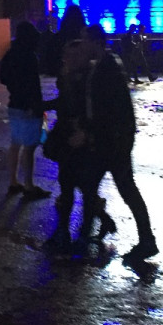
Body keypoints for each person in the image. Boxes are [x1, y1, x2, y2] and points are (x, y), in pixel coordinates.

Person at [78, 24, 158, 262]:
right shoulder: (107, 64)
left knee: (117, 188)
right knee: (98, 185)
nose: (82, 45)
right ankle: (96, 231)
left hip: (111, 141)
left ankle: (144, 239)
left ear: (95, 42)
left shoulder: (106, 68)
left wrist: (92, 132)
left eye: (85, 40)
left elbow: (107, 109)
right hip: (113, 139)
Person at [42, 37, 116, 253]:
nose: (68, 59)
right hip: (68, 136)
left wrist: (85, 130)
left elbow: (99, 110)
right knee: (68, 185)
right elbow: (64, 103)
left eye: (73, 56)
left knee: (86, 188)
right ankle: (65, 231)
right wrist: (43, 106)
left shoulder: (91, 78)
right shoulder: (67, 77)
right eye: (66, 56)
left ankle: (83, 232)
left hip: (85, 140)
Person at [0, 21, 50, 199]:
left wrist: (14, 87)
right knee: (29, 147)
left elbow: (3, 78)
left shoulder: (11, 54)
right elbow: (33, 85)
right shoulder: (30, 56)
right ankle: (29, 184)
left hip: (14, 104)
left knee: (16, 144)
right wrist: (37, 106)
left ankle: (13, 181)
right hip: (29, 107)